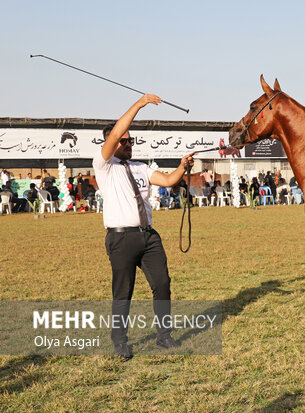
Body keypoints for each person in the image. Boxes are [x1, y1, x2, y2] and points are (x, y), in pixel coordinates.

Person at [93, 93, 195, 361]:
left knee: (162, 283)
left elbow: (170, 180)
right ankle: (120, 343)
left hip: (148, 236)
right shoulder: (103, 166)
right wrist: (139, 105)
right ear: (111, 143)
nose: (128, 144)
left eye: (130, 140)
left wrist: (183, 167)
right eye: (123, 141)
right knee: (123, 292)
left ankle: (164, 337)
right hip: (121, 238)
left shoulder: (141, 167)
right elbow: (115, 133)